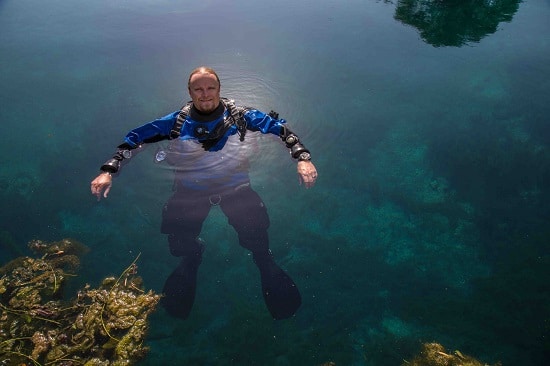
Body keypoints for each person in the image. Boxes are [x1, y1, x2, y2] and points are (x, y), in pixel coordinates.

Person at [90, 66, 318, 320]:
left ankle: (264, 261)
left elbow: (282, 131)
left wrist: (302, 158)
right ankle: (191, 258)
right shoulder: (175, 123)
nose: (205, 94)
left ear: (220, 90)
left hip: (235, 187)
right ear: (189, 92)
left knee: (256, 235)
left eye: (211, 88)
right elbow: (134, 140)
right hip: (191, 190)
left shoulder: (242, 117)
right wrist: (109, 170)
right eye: (198, 89)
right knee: (178, 242)